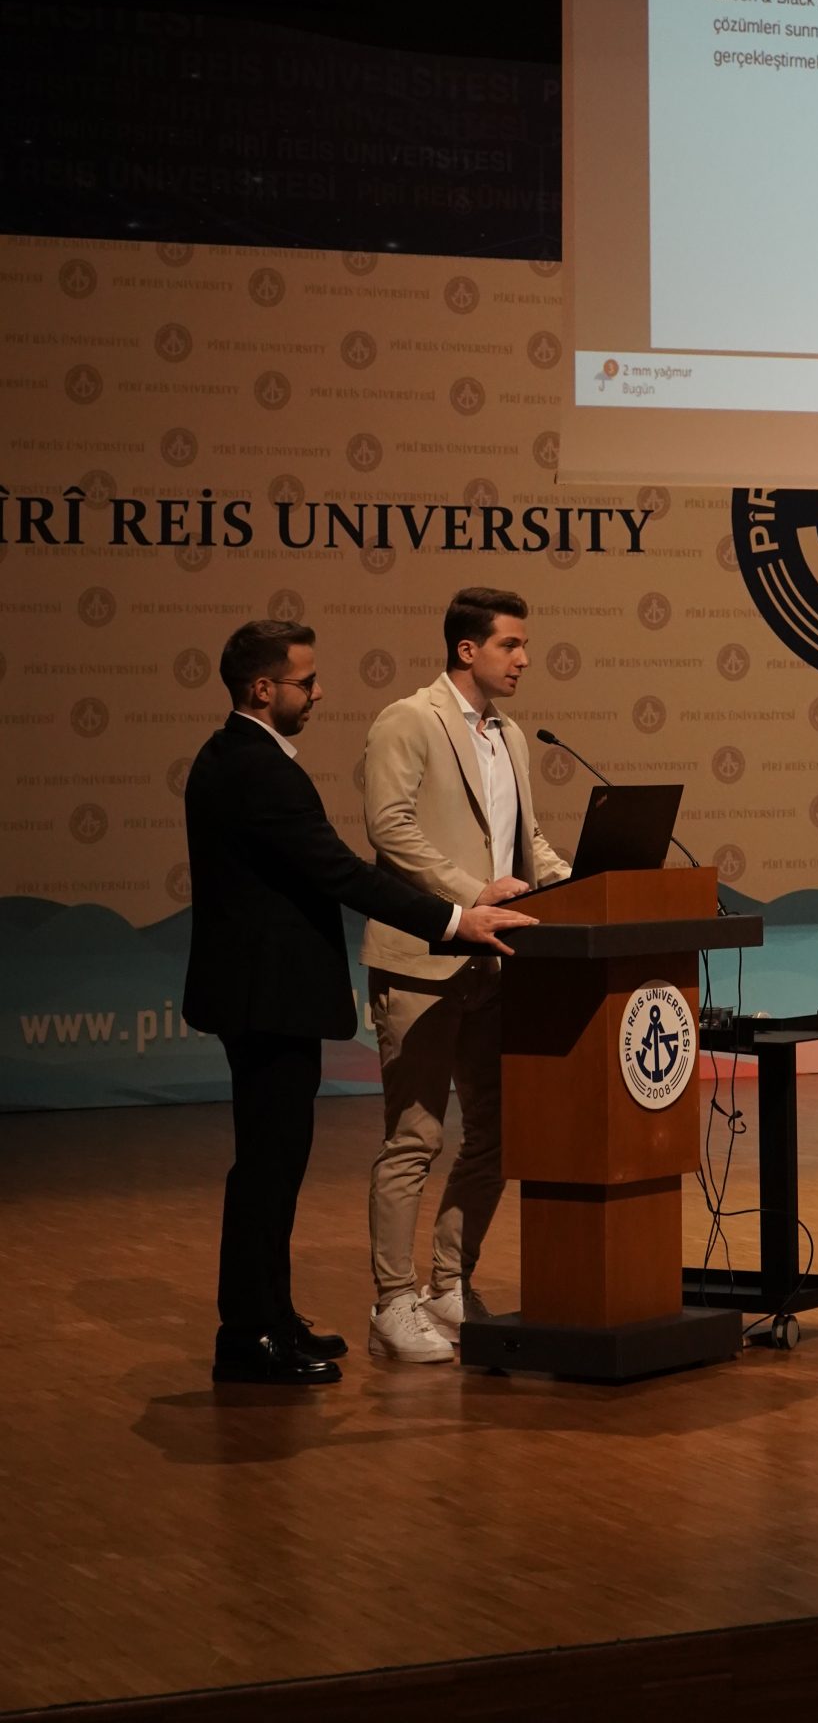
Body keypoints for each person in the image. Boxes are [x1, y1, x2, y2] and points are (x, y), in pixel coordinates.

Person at [182, 619, 535, 1387]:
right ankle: (249, 1335)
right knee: (268, 1170)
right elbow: (341, 873)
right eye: (305, 681)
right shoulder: (257, 769)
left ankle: (271, 1317)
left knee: (274, 1166)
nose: (318, 693)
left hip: (262, 996)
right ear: (263, 689)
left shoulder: (235, 757)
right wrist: (454, 919)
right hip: (266, 999)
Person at [362, 586, 574, 1363]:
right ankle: (392, 1302)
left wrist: (586, 886)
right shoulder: (408, 720)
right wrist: (468, 892)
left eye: (523, 644)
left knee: (499, 1130)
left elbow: (527, 843)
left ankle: (449, 1283)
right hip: (422, 959)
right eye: (510, 644)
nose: (524, 659)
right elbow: (390, 828)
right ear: (467, 649)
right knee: (414, 1137)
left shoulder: (509, 735)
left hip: (494, 965)